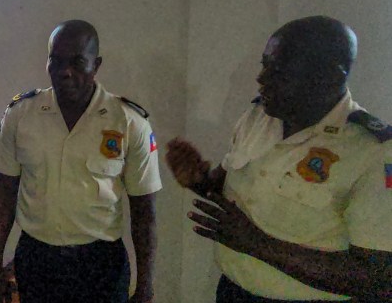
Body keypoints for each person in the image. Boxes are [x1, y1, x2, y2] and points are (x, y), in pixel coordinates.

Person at [166, 15, 392, 302]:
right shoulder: (258, 117)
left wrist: (258, 245)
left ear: (331, 77)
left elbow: (378, 277)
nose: (261, 79)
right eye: (265, 65)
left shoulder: (373, 151)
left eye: (281, 73)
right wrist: (201, 182)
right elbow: (234, 189)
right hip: (233, 291)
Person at [0, 20, 162, 303]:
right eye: (56, 61)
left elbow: (144, 212)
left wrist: (145, 286)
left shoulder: (129, 122)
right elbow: (4, 196)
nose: (65, 72)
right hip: (37, 261)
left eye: (78, 62)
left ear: (97, 64)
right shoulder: (20, 116)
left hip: (101, 266)